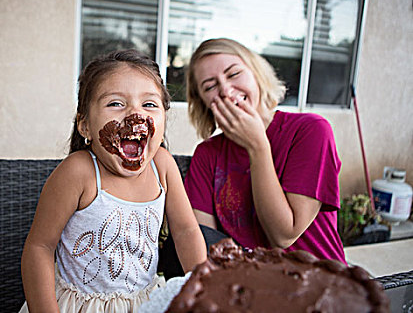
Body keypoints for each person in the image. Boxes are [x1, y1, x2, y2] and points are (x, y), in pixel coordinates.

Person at [20, 49, 207, 313]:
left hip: (144, 303)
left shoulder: (162, 165)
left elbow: (186, 231)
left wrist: (203, 289)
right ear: (85, 126)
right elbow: (39, 247)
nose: (135, 114)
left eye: (149, 104)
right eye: (116, 103)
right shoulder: (79, 172)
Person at [184, 38, 346, 264]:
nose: (226, 91)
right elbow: (205, 244)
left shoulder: (311, 130)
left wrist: (257, 146)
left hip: (320, 280)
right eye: (210, 86)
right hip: (248, 288)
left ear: (256, 74)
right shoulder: (207, 154)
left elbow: (284, 234)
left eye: (233, 74)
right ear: (203, 102)